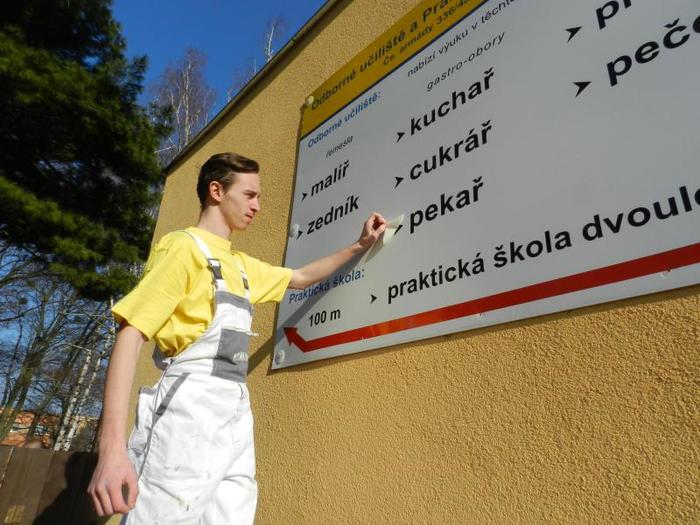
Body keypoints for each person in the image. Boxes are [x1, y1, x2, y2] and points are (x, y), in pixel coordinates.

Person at [87, 152, 386, 523]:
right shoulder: (182, 248)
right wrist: (111, 451)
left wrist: (360, 245)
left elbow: (300, 278)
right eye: (249, 195)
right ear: (216, 191)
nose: (257, 206)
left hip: (235, 410)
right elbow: (131, 333)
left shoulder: (242, 267)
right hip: (188, 406)